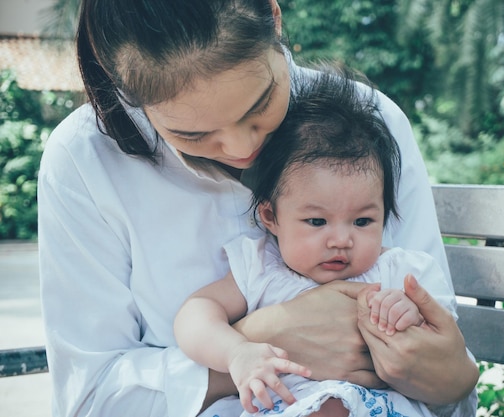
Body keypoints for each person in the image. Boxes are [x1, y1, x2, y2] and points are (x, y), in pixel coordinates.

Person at [37, 1, 479, 416]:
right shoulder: (85, 161)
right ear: (124, 85)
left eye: (261, 103)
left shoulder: (367, 128)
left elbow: (448, 374)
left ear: (274, 15)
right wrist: (257, 342)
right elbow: (90, 399)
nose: (243, 148)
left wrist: (449, 374)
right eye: (193, 134)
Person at [174, 70, 465, 417]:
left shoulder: (401, 274)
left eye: (362, 221)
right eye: (316, 221)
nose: (341, 239)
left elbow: (443, 345)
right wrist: (236, 352)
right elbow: (195, 314)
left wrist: (409, 317)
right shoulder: (259, 265)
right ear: (271, 217)